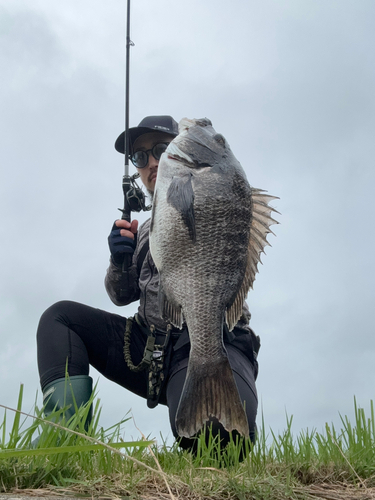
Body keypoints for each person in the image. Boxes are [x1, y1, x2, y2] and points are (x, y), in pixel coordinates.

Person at [36, 115, 260, 451]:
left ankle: (212, 402)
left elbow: (231, 210)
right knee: (59, 318)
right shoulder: (143, 232)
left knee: (219, 441)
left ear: (177, 151)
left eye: (159, 149)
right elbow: (120, 295)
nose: (151, 162)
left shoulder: (210, 190)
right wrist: (119, 258)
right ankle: (65, 437)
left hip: (212, 338)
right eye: (140, 157)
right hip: (148, 349)